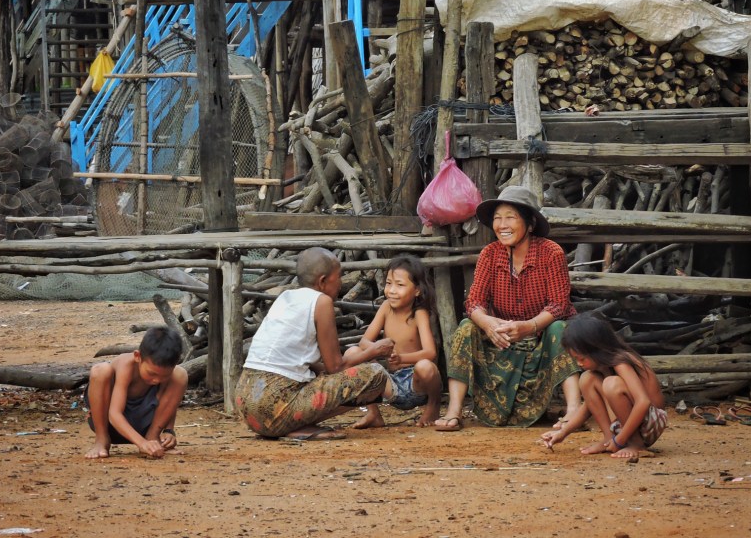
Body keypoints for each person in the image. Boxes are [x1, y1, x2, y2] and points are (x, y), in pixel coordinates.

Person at [434, 185, 581, 431]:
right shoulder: (489, 254)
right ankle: (454, 410)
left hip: (542, 339)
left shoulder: (551, 253)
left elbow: (559, 305)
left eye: (510, 217)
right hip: (502, 339)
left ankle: (574, 409)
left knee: (559, 328)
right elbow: (474, 302)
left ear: (530, 224)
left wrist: (529, 327)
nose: (502, 225)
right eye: (497, 218)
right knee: (466, 327)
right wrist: (488, 323)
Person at [235, 247, 395, 441]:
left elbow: (303, 361)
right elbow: (336, 366)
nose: (341, 282)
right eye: (339, 276)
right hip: (273, 410)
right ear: (322, 281)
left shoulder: (285, 298)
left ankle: (291, 424)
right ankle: (296, 425)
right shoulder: (321, 302)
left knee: (321, 375)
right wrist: (375, 350)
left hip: (246, 405)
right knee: (375, 374)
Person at [541, 313, 668, 459]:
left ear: (597, 349)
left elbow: (643, 402)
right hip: (633, 423)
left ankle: (636, 444)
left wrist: (619, 441)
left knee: (611, 384)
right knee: (586, 378)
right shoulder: (603, 367)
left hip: (652, 422)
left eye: (581, 358)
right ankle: (608, 439)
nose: (579, 364)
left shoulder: (621, 362)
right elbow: (588, 406)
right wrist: (563, 432)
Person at [344, 254, 441, 429]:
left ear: (417, 290)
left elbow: (430, 352)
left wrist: (401, 358)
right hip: (390, 385)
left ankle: (433, 406)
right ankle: (374, 413)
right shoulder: (386, 307)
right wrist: (377, 349)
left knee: (425, 366)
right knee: (352, 353)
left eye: (400, 285)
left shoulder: (419, 313)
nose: (392, 290)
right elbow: (364, 341)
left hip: (415, 384)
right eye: (389, 283)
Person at [84, 326, 188, 459]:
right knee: (101, 370)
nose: (157, 380)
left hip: (145, 425)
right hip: (110, 425)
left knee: (180, 374)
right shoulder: (126, 366)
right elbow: (114, 413)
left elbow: (169, 400)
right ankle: (101, 440)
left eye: (164, 376)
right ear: (138, 356)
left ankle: (153, 438)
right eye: (152, 373)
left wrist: (168, 431)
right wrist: (141, 443)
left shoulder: (170, 375)